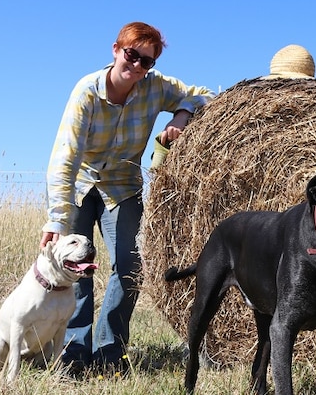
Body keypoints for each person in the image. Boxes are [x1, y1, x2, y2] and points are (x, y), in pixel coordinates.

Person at [39, 21, 211, 376]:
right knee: (77, 268)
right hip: (81, 185)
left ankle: (110, 353)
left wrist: (181, 113)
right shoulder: (87, 92)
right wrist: (57, 217)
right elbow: (64, 159)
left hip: (123, 187)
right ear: (116, 50)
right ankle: (73, 354)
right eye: (132, 55)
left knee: (130, 268)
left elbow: (204, 93)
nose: (137, 66)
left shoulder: (154, 87)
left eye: (146, 62)